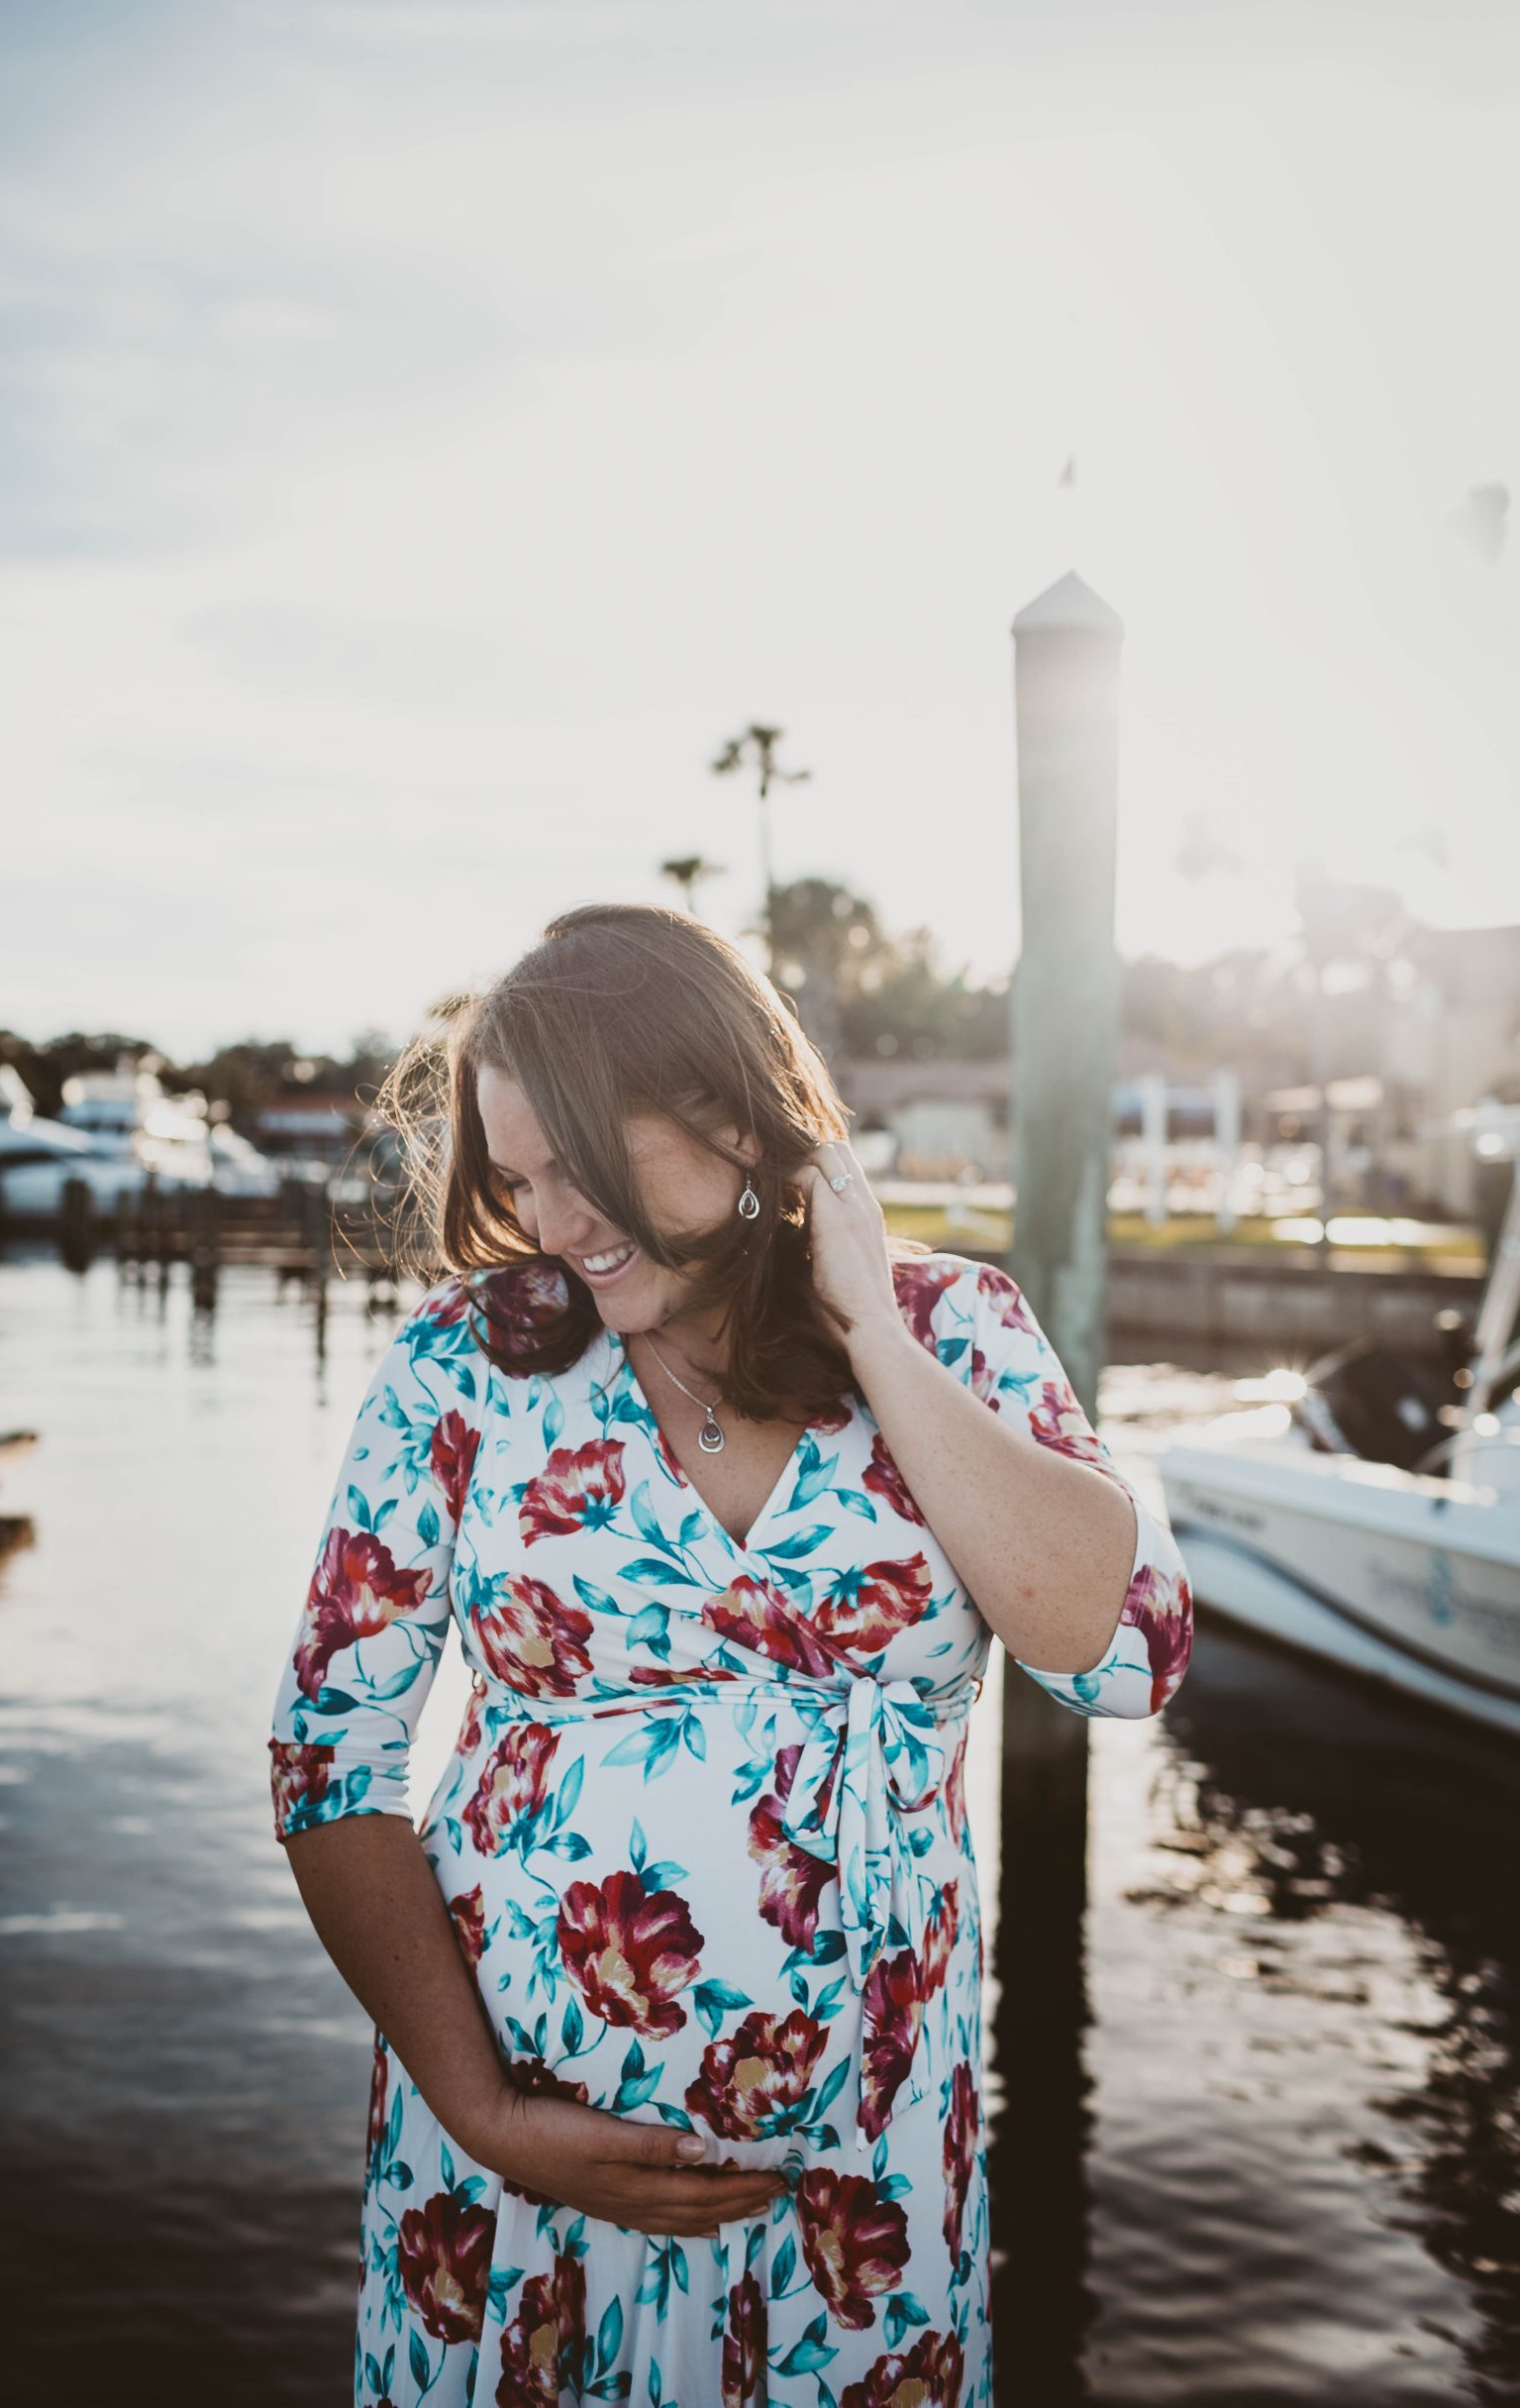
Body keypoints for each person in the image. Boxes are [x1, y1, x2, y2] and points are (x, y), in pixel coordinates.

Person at [267, 902, 1193, 2408]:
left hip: (859, 2202)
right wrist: (484, 2111)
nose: (554, 1222)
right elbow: (329, 1765)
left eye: (579, 1161)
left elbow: (1124, 1660)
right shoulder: (464, 1369)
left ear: (726, 1105)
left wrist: (872, 1338)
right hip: (514, 2186)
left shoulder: (957, 1332)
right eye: (518, 1180)